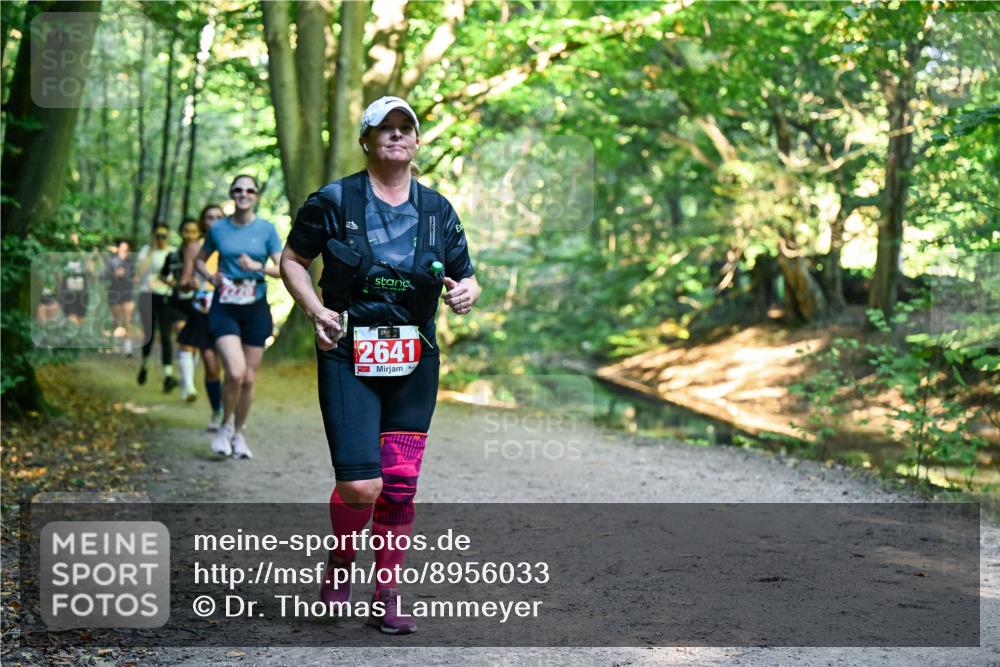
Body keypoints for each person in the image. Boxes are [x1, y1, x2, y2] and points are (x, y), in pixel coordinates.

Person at [280, 96, 480, 634]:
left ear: (416, 142)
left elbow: (466, 275)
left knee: (400, 483)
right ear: (365, 140)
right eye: (383, 127)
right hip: (347, 351)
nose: (395, 135)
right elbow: (292, 260)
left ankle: (386, 593)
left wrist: (467, 292)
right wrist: (315, 310)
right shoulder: (333, 200)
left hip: (415, 357)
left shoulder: (438, 210)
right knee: (361, 487)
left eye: (404, 127)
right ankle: (341, 563)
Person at [196, 176, 282, 459]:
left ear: (256, 195)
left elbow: (283, 268)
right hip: (225, 306)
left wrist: (258, 266)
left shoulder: (267, 229)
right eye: (238, 190)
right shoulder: (219, 229)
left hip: (255, 307)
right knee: (235, 372)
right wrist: (211, 277)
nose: (243, 194)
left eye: (249, 190)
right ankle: (225, 426)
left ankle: (238, 433)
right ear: (232, 194)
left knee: (248, 379)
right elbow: (199, 259)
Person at [177, 205, 226, 429]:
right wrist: (190, 284)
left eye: (218, 217)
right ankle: (217, 411)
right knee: (210, 364)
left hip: (230, 308)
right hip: (203, 311)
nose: (214, 221)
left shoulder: (232, 243)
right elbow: (185, 280)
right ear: (202, 222)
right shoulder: (195, 247)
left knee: (234, 367)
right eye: (209, 217)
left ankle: (231, 411)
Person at [135, 223, 178, 392]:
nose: (161, 239)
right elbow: (140, 272)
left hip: (165, 296)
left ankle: (168, 375)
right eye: (158, 235)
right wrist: (152, 250)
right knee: (149, 334)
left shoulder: (173, 252)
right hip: (147, 295)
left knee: (166, 335)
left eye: (164, 236)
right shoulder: (146, 251)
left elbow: (177, 275)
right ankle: (144, 365)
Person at [104, 238, 136, 355]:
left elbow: (134, 276)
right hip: (114, 292)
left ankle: (128, 347)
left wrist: (126, 274)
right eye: (121, 249)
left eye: (126, 249)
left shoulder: (131, 262)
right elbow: (105, 275)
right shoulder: (111, 260)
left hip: (127, 292)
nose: (123, 251)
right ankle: (113, 343)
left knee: (128, 320)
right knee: (116, 320)